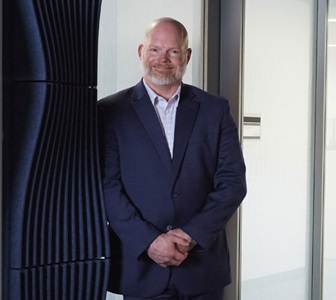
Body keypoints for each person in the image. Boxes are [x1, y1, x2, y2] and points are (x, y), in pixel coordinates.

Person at [98, 17, 247, 300]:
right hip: (142, 266)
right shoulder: (110, 111)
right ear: (141, 51)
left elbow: (233, 183)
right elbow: (107, 187)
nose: (162, 59)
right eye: (155, 49)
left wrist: (191, 236)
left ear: (187, 55)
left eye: (173, 51)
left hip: (202, 269)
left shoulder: (214, 110)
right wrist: (150, 242)